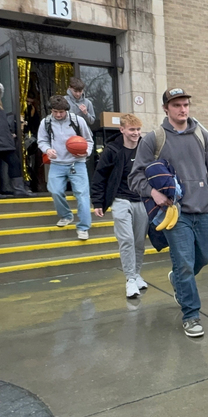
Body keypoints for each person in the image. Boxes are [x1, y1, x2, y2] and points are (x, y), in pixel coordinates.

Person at [129, 87, 208, 338]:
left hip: (204, 209)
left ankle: (177, 280)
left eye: (185, 104)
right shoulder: (154, 139)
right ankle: (191, 315)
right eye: (176, 105)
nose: (183, 109)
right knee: (185, 263)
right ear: (166, 108)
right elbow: (135, 178)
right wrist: (152, 193)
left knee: (205, 256)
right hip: (175, 213)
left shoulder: (201, 135)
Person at [91, 113, 149, 298]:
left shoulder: (145, 148)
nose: (136, 133)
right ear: (122, 129)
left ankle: (137, 274)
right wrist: (98, 202)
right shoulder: (112, 150)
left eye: (138, 130)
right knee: (127, 240)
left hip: (141, 200)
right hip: (120, 200)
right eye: (132, 130)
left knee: (139, 242)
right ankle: (130, 279)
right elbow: (100, 176)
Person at [37, 95, 93, 240]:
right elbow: (41, 141)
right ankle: (66, 216)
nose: (58, 115)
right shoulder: (46, 122)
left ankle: (83, 228)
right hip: (57, 163)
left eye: (61, 112)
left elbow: (89, 140)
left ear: (66, 110)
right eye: (55, 111)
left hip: (77, 163)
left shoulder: (77, 120)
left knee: (82, 195)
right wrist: (47, 150)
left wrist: (86, 152)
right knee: (55, 191)